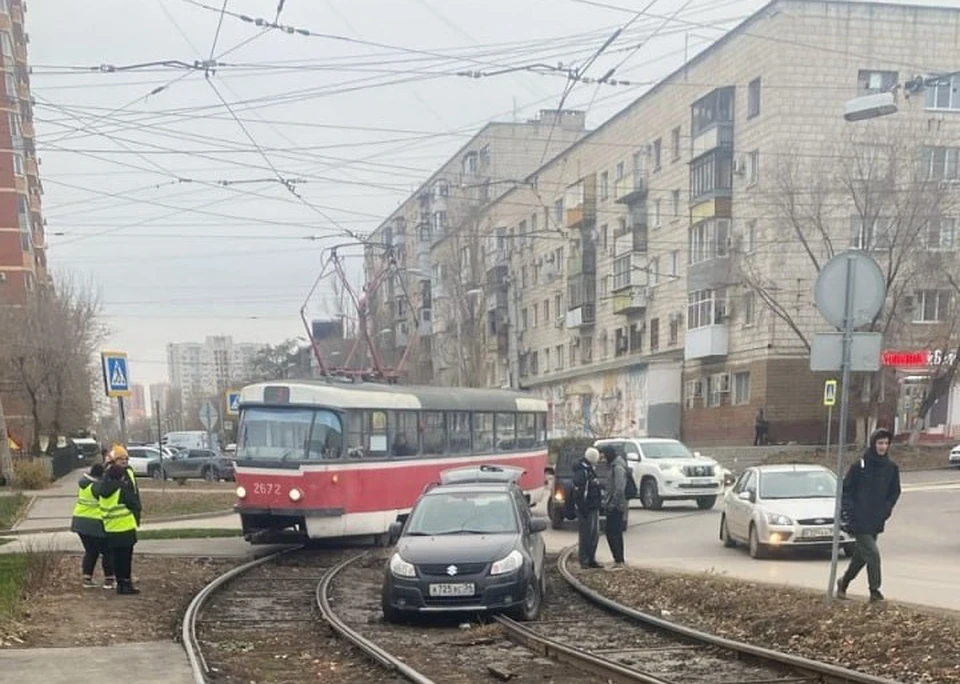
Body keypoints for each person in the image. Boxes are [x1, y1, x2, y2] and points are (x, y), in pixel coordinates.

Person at [837, 428, 901, 602]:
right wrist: (849, 512)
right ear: (873, 444)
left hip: (876, 520)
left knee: (861, 557)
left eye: (886, 443)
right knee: (872, 554)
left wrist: (886, 509)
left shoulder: (891, 468)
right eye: (880, 443)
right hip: (859, 520)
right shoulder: (860, 466)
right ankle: (875, 592)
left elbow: (894, 492)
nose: (883, 446)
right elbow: (847, 490)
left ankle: (843, 583)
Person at [69, 463, 116, 590]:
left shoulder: (84, 485)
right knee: (107, 551)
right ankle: (109, 580)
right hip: (95, 522)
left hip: (79, 522)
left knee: (91, 551)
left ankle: (87, 579)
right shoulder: (97, 487)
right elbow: (106, 495)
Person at [98, 463, 142, 595]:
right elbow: (135, 504)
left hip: (110, 529)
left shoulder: (102, 491)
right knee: (126, 559)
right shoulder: (121, 489)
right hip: (125, 529)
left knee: (116, 559)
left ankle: (120, 583)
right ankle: (127, 584)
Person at [573, 447, 603, 569]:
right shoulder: (583, 472)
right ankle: (585, 560)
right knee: (587, 535)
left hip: (592, 507)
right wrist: (583, 509)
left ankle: (591, 559)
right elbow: (580, 493)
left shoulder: (588, 469)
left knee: (594, 535)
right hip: (587, 509)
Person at [599, 445, 628, 570]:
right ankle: (618, 559)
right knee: (613, 533)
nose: (602, 459)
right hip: (613, 504)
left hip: (617, 506)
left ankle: (619, 561)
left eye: (604, 455)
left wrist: (611, 504)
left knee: (613, 533)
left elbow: (619, 489)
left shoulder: (618, 468)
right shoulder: (613, 466)